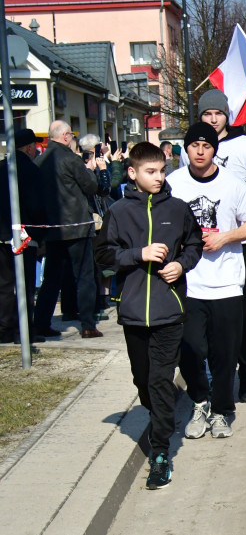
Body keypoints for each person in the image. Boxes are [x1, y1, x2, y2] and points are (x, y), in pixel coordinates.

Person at [96, 142, 203, 488]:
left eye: (162, 170)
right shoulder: (118, 211)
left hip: (169, 311)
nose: (159, 177)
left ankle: (160, 454)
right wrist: (137, 254)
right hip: (132, 311)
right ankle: (162, 410)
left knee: (159, 380)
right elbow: (103, 256)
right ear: (133, 173)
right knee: (143, 381)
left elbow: (194, 244)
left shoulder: (178, 208)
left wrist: (179, 265)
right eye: (150, 171)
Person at [167, 123, 246, 441]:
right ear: (186, 149)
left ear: (214, 150)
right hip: (188, 281)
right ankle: (199, 402)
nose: (199, 151)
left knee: (225, 353)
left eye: (206, 146)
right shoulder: (173, 183)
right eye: (193, 145)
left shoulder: (233, 184)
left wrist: (226, 236)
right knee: (191, 349)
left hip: (226, 282)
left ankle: (221, 410)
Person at [187, 89, 246, 404]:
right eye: (207, 114)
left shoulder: (245, 145)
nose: (213, 119)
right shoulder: (195, 146)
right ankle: (216, 371)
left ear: (227, 115)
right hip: (205, 241)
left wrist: (234, 188)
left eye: (218, 113)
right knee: (208, 309)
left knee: (242, 308)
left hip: (245, 238)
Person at [34, 120, 103, 338]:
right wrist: (91, 171)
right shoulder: (70, 159)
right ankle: (88, 324)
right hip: (77, 226)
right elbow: (91, 186)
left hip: (53, 228)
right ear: (65, 136)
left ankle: (42, 322)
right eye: (71, 135)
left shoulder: (40, 160)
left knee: (52, 278)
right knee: (84, 276)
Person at [0, 128, 46, 344]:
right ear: (28, 147)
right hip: (25, 236)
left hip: (2, 235)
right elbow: (37, 205)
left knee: (4, 285)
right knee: (25, 285)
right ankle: (24, 331)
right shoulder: (30, 169)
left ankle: (5, 328)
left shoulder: (1, 167)